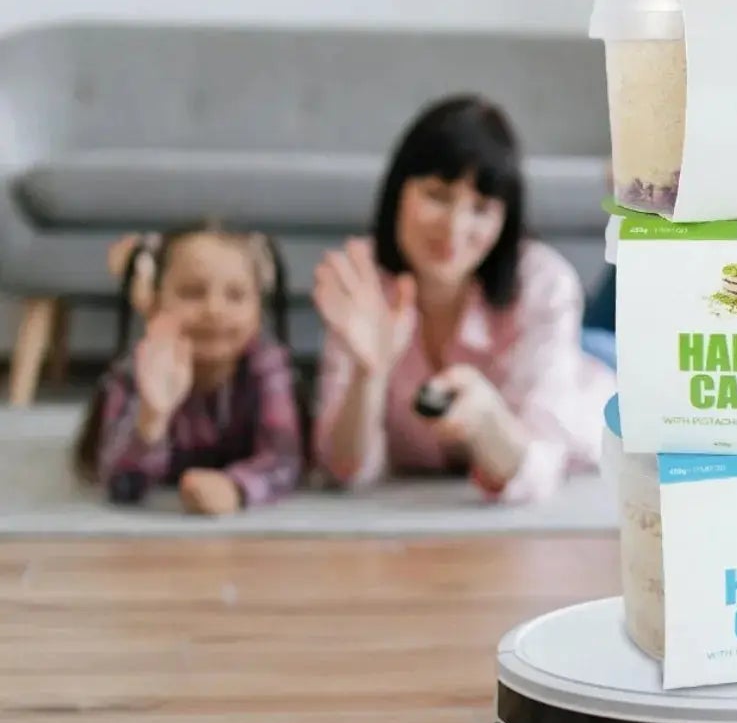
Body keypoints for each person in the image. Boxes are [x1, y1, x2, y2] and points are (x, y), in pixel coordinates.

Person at [312, 96, 615, 504]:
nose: (454, 227)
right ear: (398, 192)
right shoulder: (363, 284)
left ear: (505, 219)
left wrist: (488, 419)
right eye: (437, 195)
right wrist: (369, 373)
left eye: (482, 207)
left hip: (602, 380)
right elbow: (343, 469)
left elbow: (539, 469)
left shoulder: (543, 281)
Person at [73, 222, 304, 514]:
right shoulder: (137, 370)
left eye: (236, 295)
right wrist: (151, 418)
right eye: (192, 293)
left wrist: (235, 487)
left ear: (259, 309)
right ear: (155, 303)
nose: (214, 310)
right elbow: (119, 483)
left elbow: (284, 461)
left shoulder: (268, 367)